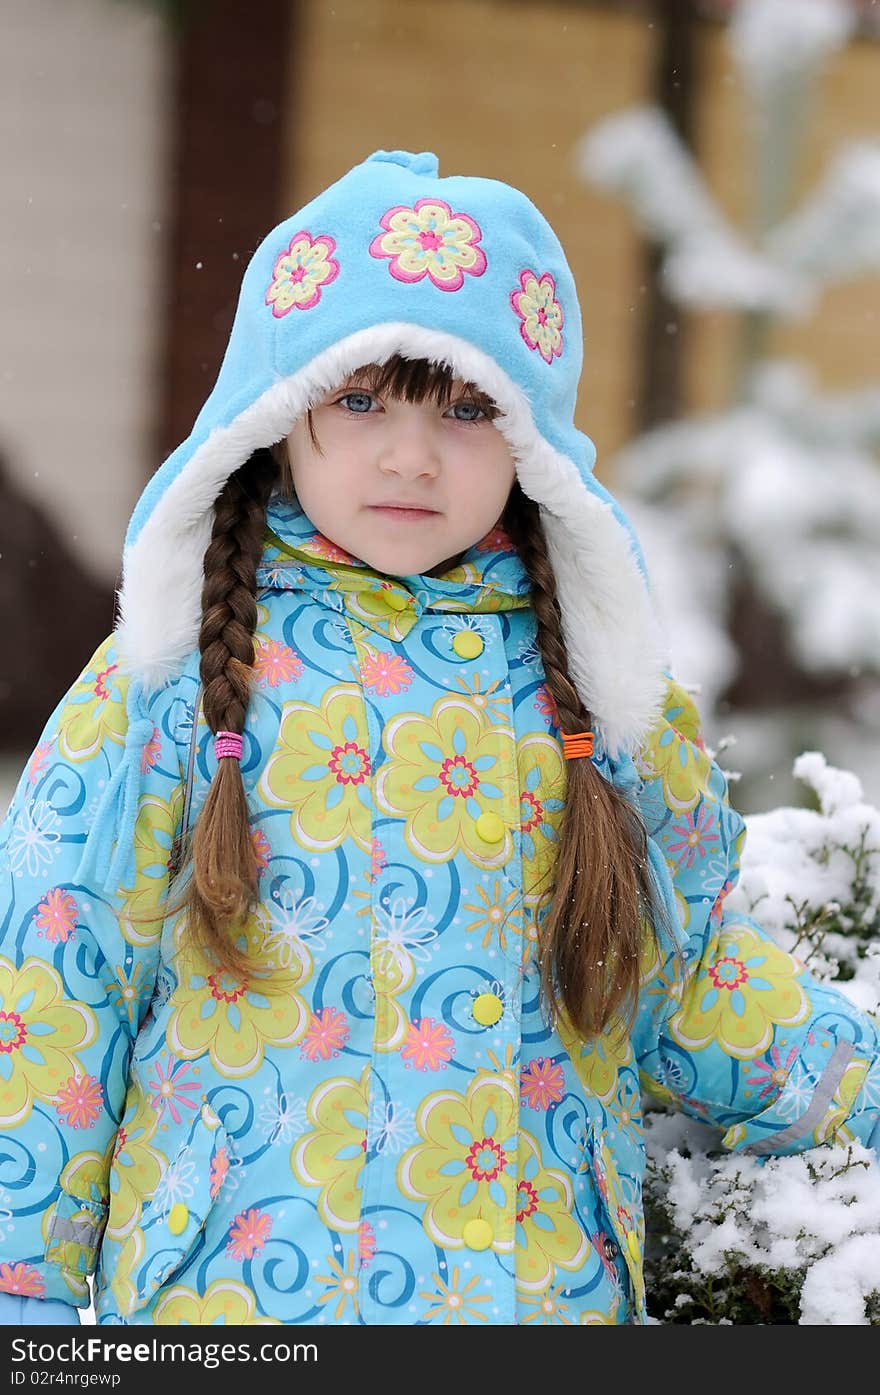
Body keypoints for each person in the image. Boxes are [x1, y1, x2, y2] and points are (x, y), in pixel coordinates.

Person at [0, 149, 878, 1329]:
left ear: (528, 436)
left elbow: (691, 984)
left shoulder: (602, 709)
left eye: (466, 409)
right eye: (360, 400)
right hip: (231, 1315)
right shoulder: (164, 691)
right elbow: (51, 1008)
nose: (410, 455)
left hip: (536, 1303)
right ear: (279, 415)